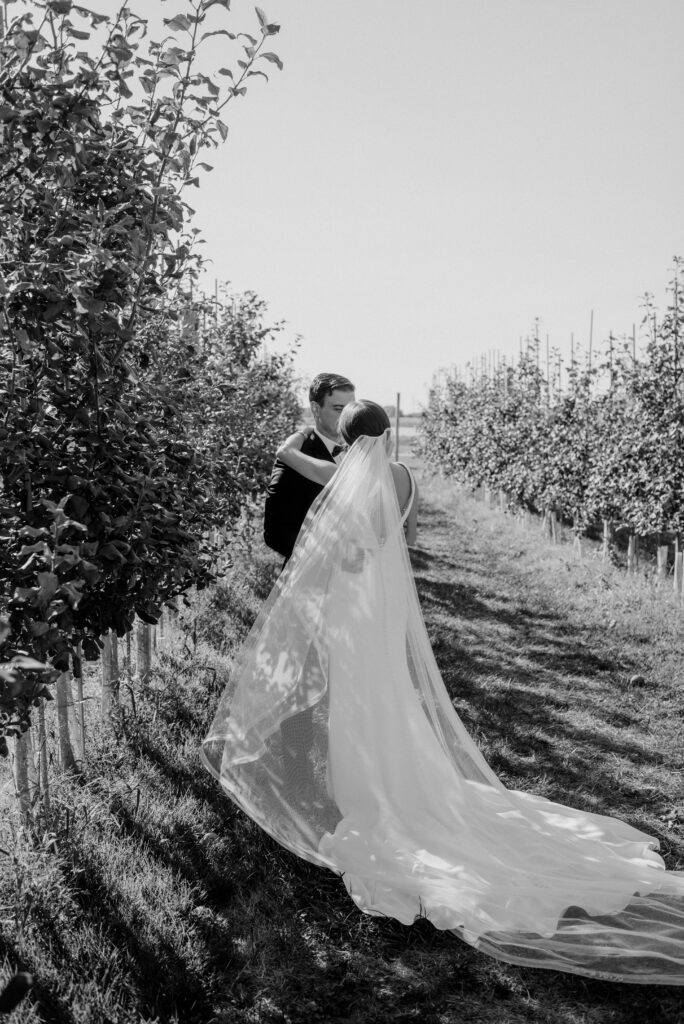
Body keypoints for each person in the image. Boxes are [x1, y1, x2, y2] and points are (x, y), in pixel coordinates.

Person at [203, 400, 684, 985]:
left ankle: (372, 791)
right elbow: (406, 536)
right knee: (390, 694)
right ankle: (405, 777)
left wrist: (310, 444)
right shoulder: (406, 478)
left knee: (358, 699)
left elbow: (300, 480)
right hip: (385, 608)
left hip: (354, 607)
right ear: (388, 433)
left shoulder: (346, 477)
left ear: (350, 438)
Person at [263, 372, 356, 562]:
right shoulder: (296, 456)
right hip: (309, 578)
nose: (347, 417)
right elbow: (275, 532)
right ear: (315, 408)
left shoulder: (360, 451)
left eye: (350, 409)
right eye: (338, 409)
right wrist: (321, 559)